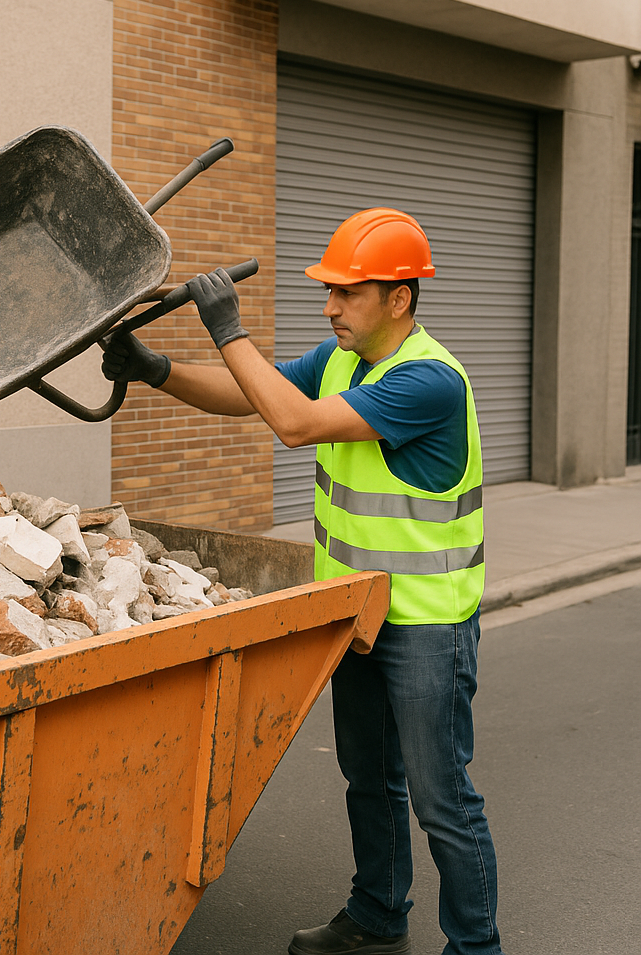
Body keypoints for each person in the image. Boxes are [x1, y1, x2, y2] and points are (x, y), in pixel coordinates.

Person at [102, 208, 505, 955]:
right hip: (359, 616)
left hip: (427, 626)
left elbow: (293, 424)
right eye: (330, 292)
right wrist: (156, 370)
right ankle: (379, 915)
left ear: (400, 298)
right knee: (368, 781)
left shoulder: (429, 381)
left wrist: (228, 325)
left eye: (347, 293)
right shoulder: (341, 359)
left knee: (441, 798)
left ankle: (476, 947)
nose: (330, 307)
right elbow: (254, 396)